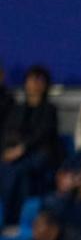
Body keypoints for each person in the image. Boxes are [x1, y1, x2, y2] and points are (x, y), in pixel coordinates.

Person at [1, 65, 61, 225]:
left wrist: (22, 149)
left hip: (40, 154)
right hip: (17, 154)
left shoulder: (50, 109)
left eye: (39, 80)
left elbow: (43, 135)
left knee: (21, 171)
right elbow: (8, 132)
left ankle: (19, 221)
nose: (34, 84)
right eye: (31, 80)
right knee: (8, 168)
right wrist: (6, 151)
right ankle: (9, 220)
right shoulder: (17, 109)